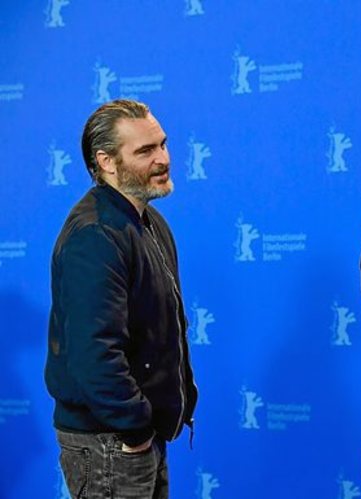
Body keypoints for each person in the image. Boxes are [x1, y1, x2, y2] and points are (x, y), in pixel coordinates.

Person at [45, 99, 197, 499]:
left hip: (137, 438)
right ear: (107, 162)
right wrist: (135, 430)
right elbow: (94, 353)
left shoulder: (149, 222)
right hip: (110, 444)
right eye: (145, 151)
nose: (163, 158)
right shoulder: (96, 235)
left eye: (162, 144)